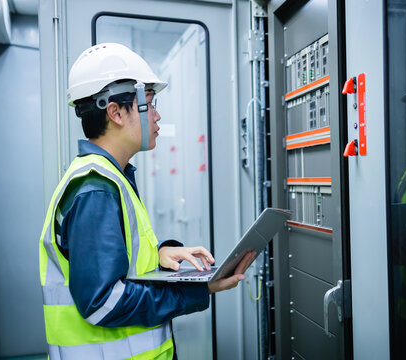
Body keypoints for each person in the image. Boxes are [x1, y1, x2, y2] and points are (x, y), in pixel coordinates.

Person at [38, 43, 255, 360]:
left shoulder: (110, 177)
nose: (157, 116)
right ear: (115, 112)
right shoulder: (96, 189)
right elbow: (103, 303)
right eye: (150, 105)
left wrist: (159, 253)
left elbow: (114, 263)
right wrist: (196, 288)